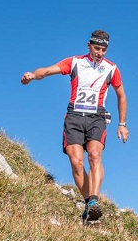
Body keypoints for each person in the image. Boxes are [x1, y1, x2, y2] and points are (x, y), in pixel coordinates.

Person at [21, 29, 128, 223]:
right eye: (96, 48)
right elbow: (47, 71)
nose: (100, 53)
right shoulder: (75, 62)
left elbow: (121, 96)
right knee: (76, 162)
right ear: (89, 46)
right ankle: (88, 205)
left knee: (94, 155)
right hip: (74, 116)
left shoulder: (111, 68)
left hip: (97, 117)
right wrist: (32, 76)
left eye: (103, 50)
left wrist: (122, 124)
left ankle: (94, 200)